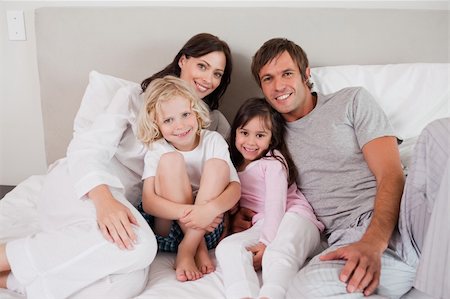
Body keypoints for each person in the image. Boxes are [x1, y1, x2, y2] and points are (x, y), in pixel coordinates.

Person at [0, 32, 235, 299]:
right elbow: (87, 149)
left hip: (128, 205)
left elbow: (229, 173)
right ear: (183, 60)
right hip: (86, 184)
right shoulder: (134, 97)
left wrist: (227, 212)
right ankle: (4, 256)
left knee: (130, 280)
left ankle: (13, 281)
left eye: (217, 73)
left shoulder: (212, 123)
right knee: (141, 247)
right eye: (202, 66)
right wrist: (104, 201)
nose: (208, 79)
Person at [232, 37, 419, 298]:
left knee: (439, 136)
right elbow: (256, 182)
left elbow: (391, 174)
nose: (278, 86)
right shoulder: (268, 136)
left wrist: (373, 242)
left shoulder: (351, 101)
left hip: (408, 216)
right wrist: (240, 216)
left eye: (287, 73)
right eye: (268, 79)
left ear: (306, 73)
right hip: (347, 238)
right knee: (302, 291)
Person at [215, 97, 324, 299]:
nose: (250, 142)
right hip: (263, 224)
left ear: (272, 139)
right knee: (227, 249)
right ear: (235, 132)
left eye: (260, 135)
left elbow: (276, 205)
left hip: (295, 217)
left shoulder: (273, 162)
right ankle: (243, 294)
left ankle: (272, 294)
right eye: (244, 133)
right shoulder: (232, 163)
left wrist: (266, 243)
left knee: (276, 254)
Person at [136, 75, 240, 282]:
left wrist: (209, 210)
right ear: (155, 123)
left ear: (196, 111)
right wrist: (195, 213)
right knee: (171, 161)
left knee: (218, 165)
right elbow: (149, 202)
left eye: (185, 114)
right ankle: (196, 248)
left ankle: (187, 249)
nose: (180, 126)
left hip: (209, 226)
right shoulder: (158, 149)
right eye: (168, 120)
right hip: (168, 228)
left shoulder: (213, 140)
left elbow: (235, 189)